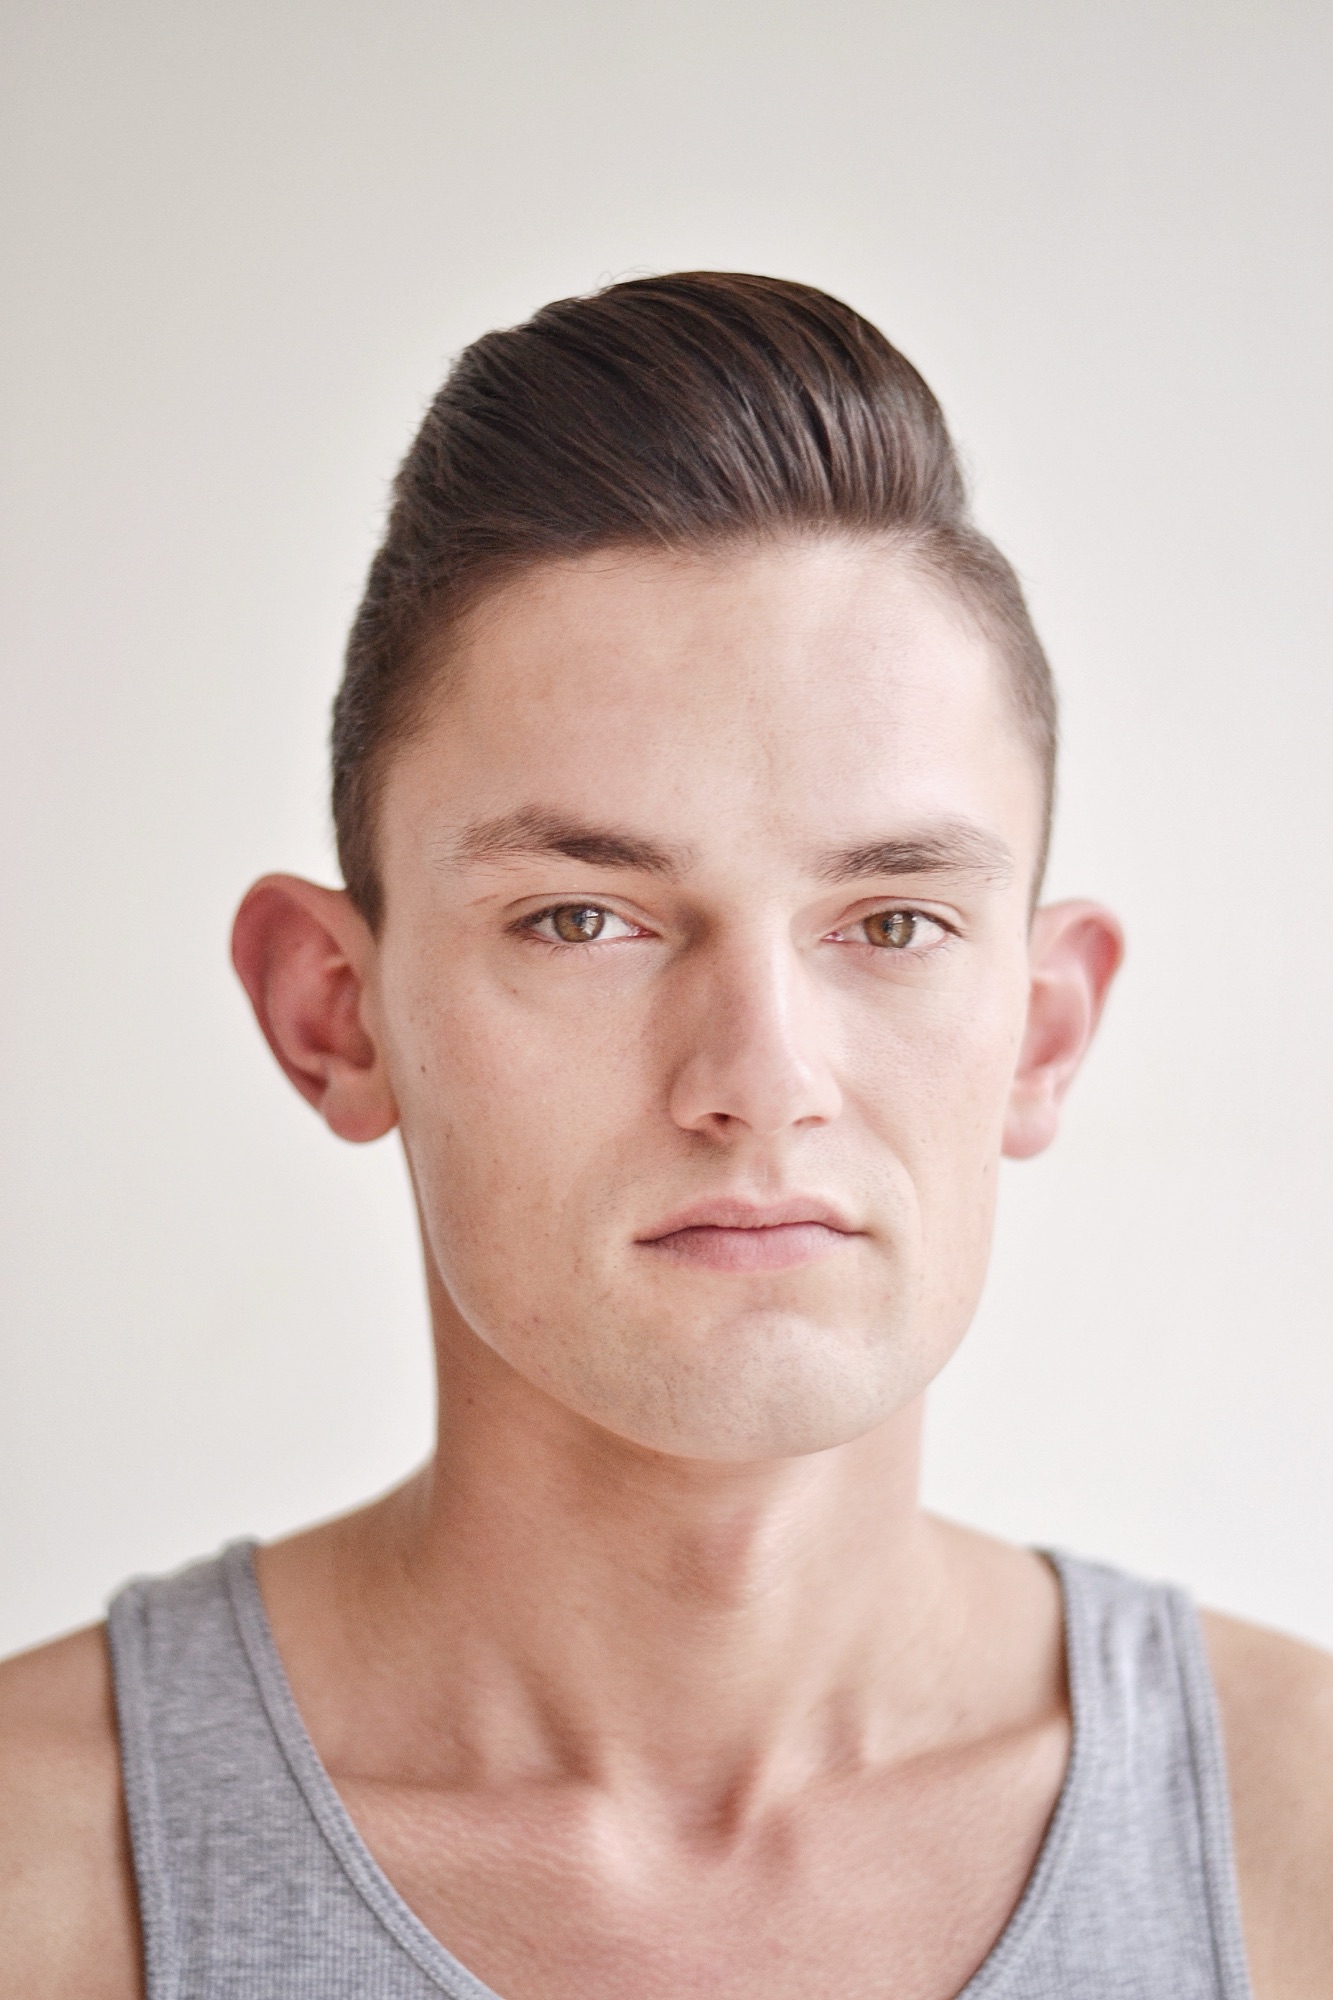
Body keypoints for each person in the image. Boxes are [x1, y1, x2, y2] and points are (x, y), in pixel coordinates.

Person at [1, 273, 1330, 2000]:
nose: (759, 1079)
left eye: (893, 922)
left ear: (1042, 1027)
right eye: (582, 919)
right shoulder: (38, 1871)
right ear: (335, 1013)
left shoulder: (1300, 1837)